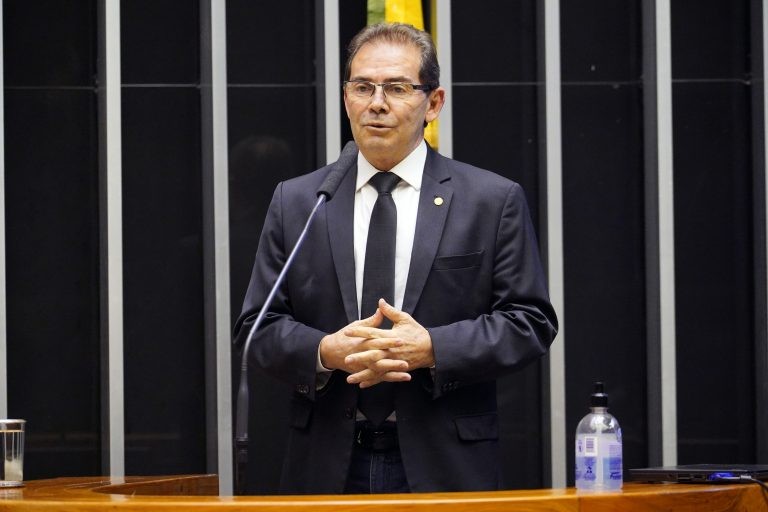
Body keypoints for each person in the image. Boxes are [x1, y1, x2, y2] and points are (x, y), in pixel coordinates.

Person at [233, 22, 558, 494]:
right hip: (326, 464)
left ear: (434, 103)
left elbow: (529, 321)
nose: (377, 103)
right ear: (346, 98)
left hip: (446, 463)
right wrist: (325, 351)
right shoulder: (301, 201)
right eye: (362, 87)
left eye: (398, 88)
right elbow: (257, 327)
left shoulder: (490, 200)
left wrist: (433, 348)